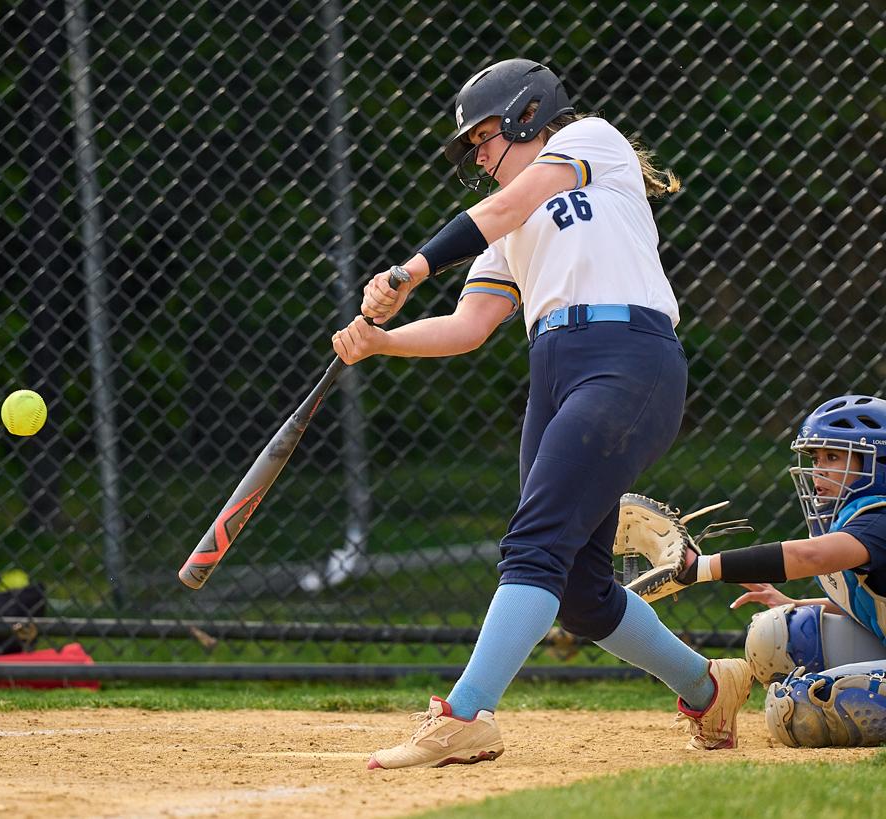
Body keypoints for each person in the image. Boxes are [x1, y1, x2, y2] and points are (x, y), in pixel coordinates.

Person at [330, 57, 752, 770]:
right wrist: (381, 341)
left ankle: (465, 715)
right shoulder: (510, 228)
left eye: (484, 137)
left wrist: (408, 271)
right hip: (554, 371)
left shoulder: (591, 140)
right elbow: (469, 326)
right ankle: (709, 686)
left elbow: (501, 208)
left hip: (627, 357)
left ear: (529, 115)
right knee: (581, 595)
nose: (478, 156)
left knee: (534, 543)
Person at [665, 395, 886, 747]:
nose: (818, 469)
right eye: (815, 458)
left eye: (833, 457)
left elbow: (810, 557)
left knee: (802, 708)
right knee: (778, 633)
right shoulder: (859, 517)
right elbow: (872, 605)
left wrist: (701, 567)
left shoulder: (878, 520)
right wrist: (794, 602)